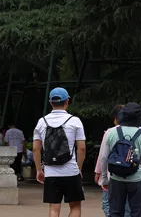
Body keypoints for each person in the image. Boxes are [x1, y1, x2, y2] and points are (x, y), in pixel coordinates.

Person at [33, 87, 86, 217]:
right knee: (75, 207)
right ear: (67, 101)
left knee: (54, 208)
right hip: (71, 171)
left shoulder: (41, 122)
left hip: (51, 172)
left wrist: (39, 170)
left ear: (51, 103)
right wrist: (78, 168)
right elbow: (82, 148)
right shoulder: (75, 121)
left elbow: (36, 148)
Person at [98, 103, 141, 217]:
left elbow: (104, 158)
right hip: (137, 179)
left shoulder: (112, 133)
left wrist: (104, 178)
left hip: (116, 178)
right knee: (136, 212)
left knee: (115, 212)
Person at [94, 105, 132, 217]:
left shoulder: (110, 132)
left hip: (112, 174)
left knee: (107, 204)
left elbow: (103, 155)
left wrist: (98, 172)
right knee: (127, 206)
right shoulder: (137, 131)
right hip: (131, 174)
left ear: (115, 118)